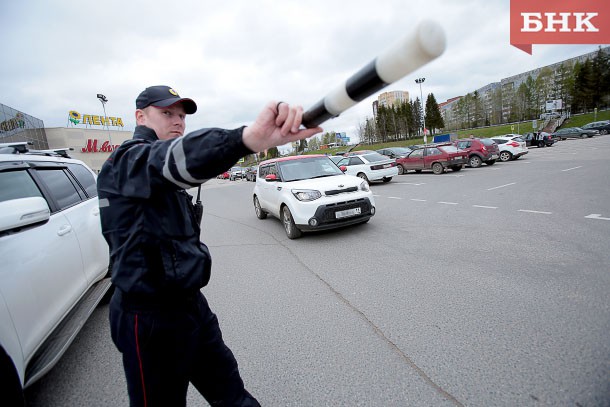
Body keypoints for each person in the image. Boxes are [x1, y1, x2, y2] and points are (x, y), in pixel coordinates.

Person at [97, 85, 321, 406]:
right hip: (148, 319)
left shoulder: (162, 172)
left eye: (182, 116)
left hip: (190, 307)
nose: (178, 121)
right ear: (140, 116)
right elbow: (174, 158)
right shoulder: (129, 161)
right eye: (167, 113)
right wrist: (245, 139)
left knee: (232, 396)